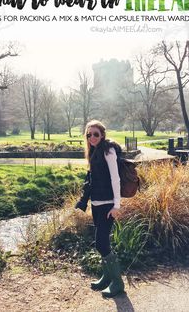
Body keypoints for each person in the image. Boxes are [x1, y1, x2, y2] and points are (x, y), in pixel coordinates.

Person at [75, 119, 125, 298]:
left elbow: (115, 179)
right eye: (89, 134)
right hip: (96, 204)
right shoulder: (94, 152)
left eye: (95, 134)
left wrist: (117, 206)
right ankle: (107, 277)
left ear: (102, 135)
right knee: (103, 243)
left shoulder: (108, 150)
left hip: (107, 204)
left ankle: (118, 283)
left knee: (101, 243)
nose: (92, 137)